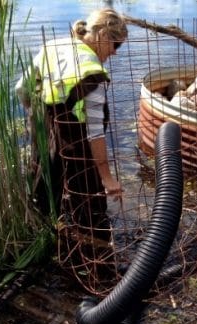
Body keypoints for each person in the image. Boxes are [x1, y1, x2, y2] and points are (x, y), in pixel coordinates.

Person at [15, 8, 128, 232]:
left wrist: (38, 115)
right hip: (74, 142)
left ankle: (45, 232)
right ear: (103, 35)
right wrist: (107, 178)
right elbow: (95, 133)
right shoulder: (92, 73)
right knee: (86, 197)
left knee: (45, 182)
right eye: (116, 45)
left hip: (44, 130)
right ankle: (91, 244)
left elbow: (22, 88)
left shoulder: (54, 47)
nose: (115, 53)